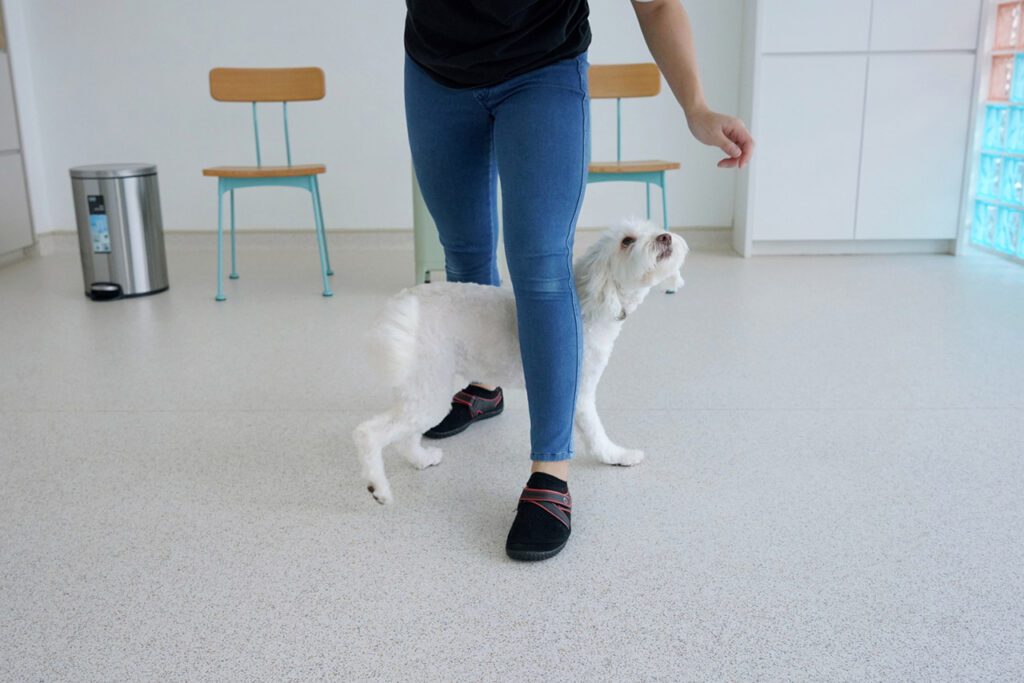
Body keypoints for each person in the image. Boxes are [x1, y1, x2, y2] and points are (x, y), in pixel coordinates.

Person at [404, 0, 754, 561]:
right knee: (464, 249)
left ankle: (550, 472)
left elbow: (657, 3)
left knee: (541, 266)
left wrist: (696, 105)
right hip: (435, 72)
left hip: (541, 69)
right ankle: (484, 387)